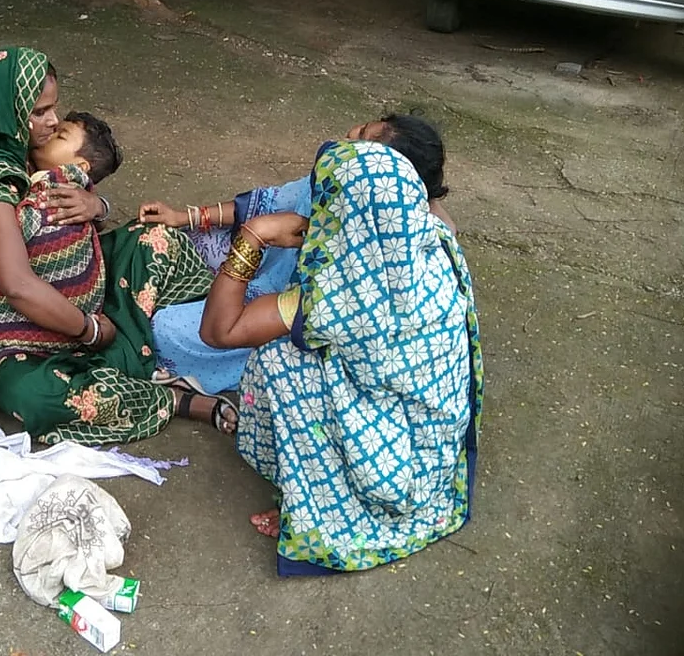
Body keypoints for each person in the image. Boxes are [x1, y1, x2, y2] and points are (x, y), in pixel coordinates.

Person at [0, 46, 225, 457]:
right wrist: (91, 330)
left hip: (73, 284)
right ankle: (169, 394)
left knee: (152, 239)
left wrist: (98, 207)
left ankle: (163, 344)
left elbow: (73, 208)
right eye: (39, 112)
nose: (52, 121)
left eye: (53, 110)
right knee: (34, 395)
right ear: (7, 109)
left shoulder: (28, 154)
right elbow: (18, 287)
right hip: (11, 325)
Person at [196, 139, 483, 576]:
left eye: (329, 198)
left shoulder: (335, 297)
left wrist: (254, 235)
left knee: (277, 365)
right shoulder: (433, 239)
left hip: (393, 477)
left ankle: (322, 509)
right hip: (436, 453)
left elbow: (219, 330)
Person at [138, 114, 455, 403]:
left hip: (287, 315)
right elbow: (270, 202)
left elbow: (220, 331)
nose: (347, 135)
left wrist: (254, 236)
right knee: (166, 238)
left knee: (163, 330)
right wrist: (185, 217)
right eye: (361, 129)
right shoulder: (371, 197)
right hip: (280, 280)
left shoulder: (348, 276)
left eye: (359, 140)